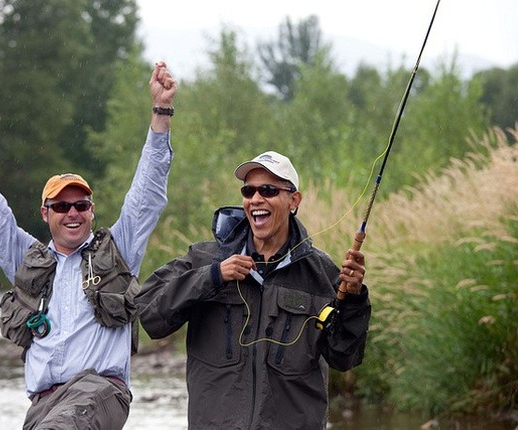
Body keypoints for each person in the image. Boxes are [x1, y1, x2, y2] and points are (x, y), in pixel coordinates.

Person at [0, 61, 178, 430]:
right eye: (61, 206)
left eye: (80, 205)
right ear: (45, 214)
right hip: (43, 404)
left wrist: (161, 112)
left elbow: (148, 193)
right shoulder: (26, 261)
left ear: (92, 211)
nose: (72, 213)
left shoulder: (118, 251)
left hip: (100, 393)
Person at [136, 150, 372, 429]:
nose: (256, 199)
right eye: (248, 191)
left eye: (268, 190)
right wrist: (212, 276)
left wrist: (354, 298)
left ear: (293, 200)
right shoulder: (205, 260)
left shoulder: (322, 274)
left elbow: (344, 357)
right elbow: (150, 314)